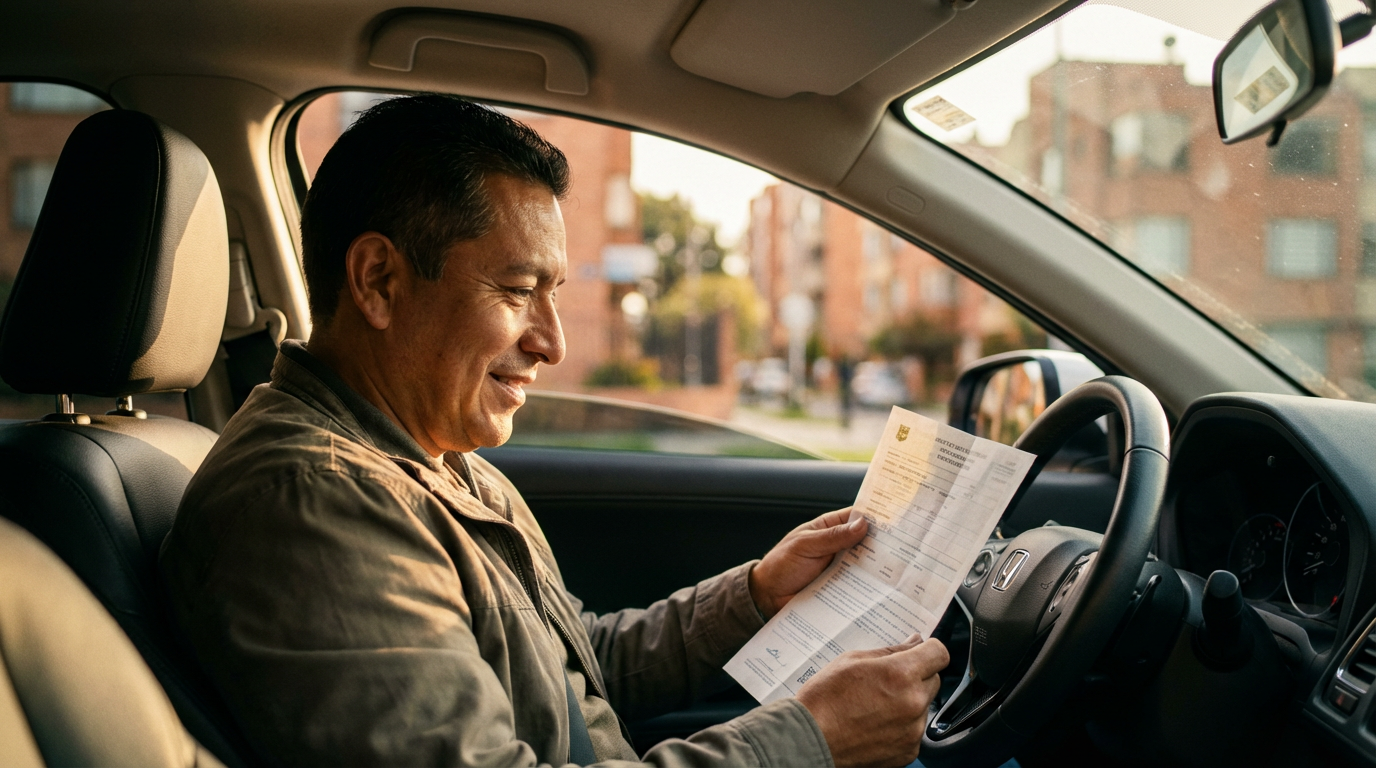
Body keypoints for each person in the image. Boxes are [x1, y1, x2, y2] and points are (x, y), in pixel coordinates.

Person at [160, 95, 948, 768]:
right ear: (379, 280)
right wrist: (810, 740)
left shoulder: (434, 458)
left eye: (555, 293)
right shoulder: (313, 503)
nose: (553, 342)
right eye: (516, 289)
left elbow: (577, 668)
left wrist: (756, 595)